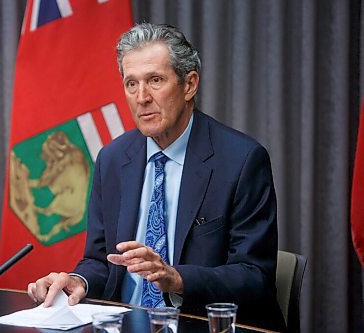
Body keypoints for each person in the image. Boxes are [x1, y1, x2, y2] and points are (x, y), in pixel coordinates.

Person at [27, 23, 286, 331]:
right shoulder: (112, 159)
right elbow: (100, 260)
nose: (142, 97)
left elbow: (254, 275)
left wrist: (176, 279)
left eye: (155, 80)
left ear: (189, 85)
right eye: (131, 84)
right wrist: (77, 280)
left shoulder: (241, 160)